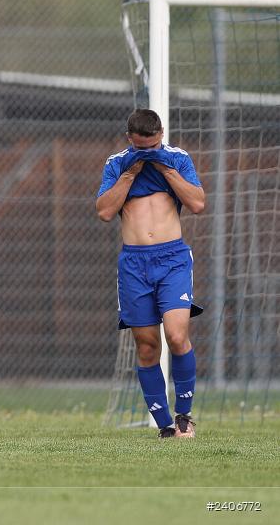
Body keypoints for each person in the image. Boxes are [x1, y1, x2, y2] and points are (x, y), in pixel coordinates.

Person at [96, 108, 205, 438]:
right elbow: (104, 211)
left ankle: (184, 414)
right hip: (134, 265)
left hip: (172, 260)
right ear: (130, 138)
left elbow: (198, 203)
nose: (148, 150)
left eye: (153, 143)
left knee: (176, 335)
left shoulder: (177, 158)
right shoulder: (117, 164)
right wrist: (130, 174)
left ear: (161, 134)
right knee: (146, 347)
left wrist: (164, 168)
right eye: (141, 146)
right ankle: (164, 428)